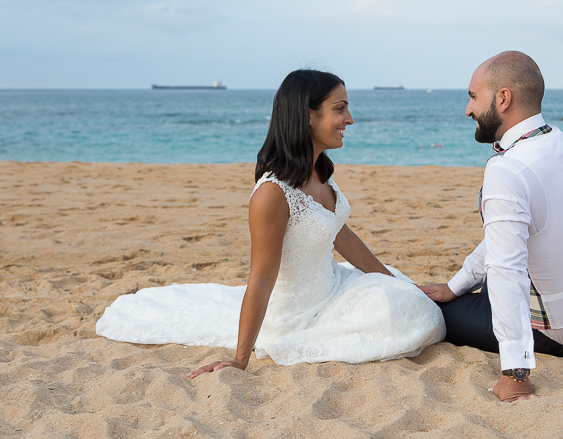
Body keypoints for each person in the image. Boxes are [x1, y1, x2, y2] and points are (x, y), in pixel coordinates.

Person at [96, 69, 445, 374]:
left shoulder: (320, 170)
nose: (349, 119)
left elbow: (342, 235)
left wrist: (390, 279)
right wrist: (240, 359)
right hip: (296, 314)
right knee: (405, 314)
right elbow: (261, 277)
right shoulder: (272, 194)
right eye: (340, 109)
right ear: (308, 116)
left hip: (334, 285)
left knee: (407, 295)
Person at [420, 52, 563, 403]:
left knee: (436, 311)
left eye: (474, 97)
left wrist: (515, 375)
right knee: (501, 259)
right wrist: (455, 284)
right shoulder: (561, 142)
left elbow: (507, 271)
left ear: (503, 99)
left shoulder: (507, 169)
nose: (467, 109)